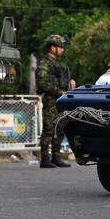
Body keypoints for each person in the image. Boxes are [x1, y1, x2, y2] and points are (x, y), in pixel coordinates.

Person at [36, 34, 76, 168]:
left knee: (59, 128)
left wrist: (70, 85)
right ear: (52, 47)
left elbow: (63, 82)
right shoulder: (45, 64)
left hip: (60, 100)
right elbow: (42, 83)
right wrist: (60, 92)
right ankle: (45, 159)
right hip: (50, 100)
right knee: (48, 129)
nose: (62, 49)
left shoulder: (59, 65)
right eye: (60, 47)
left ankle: (56, 157)